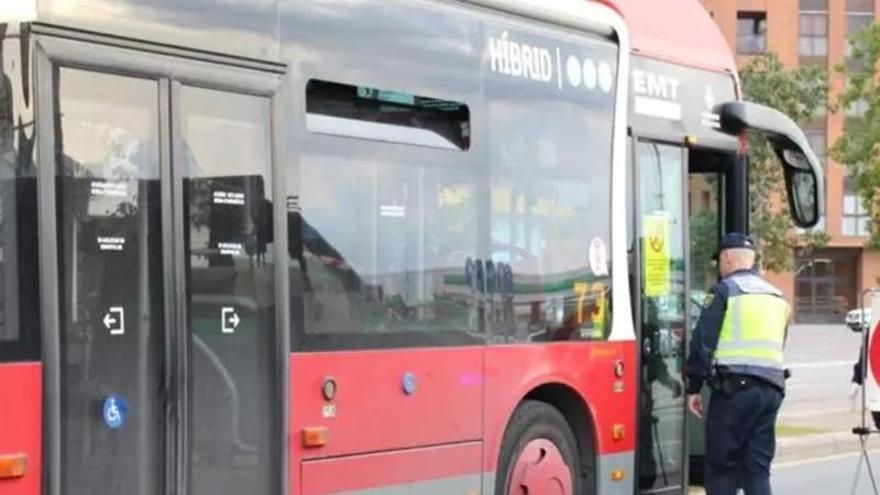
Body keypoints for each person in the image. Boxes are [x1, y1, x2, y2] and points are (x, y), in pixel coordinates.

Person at [685, 233, 790, 495]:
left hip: (734, 391)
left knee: (722, 467)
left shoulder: (725, 291)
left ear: (728, 258)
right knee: (757, 469)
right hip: (771, 390)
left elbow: (702, 343)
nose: (719, 267)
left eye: (719, 261)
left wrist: (693, 387)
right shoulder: (778, 297)